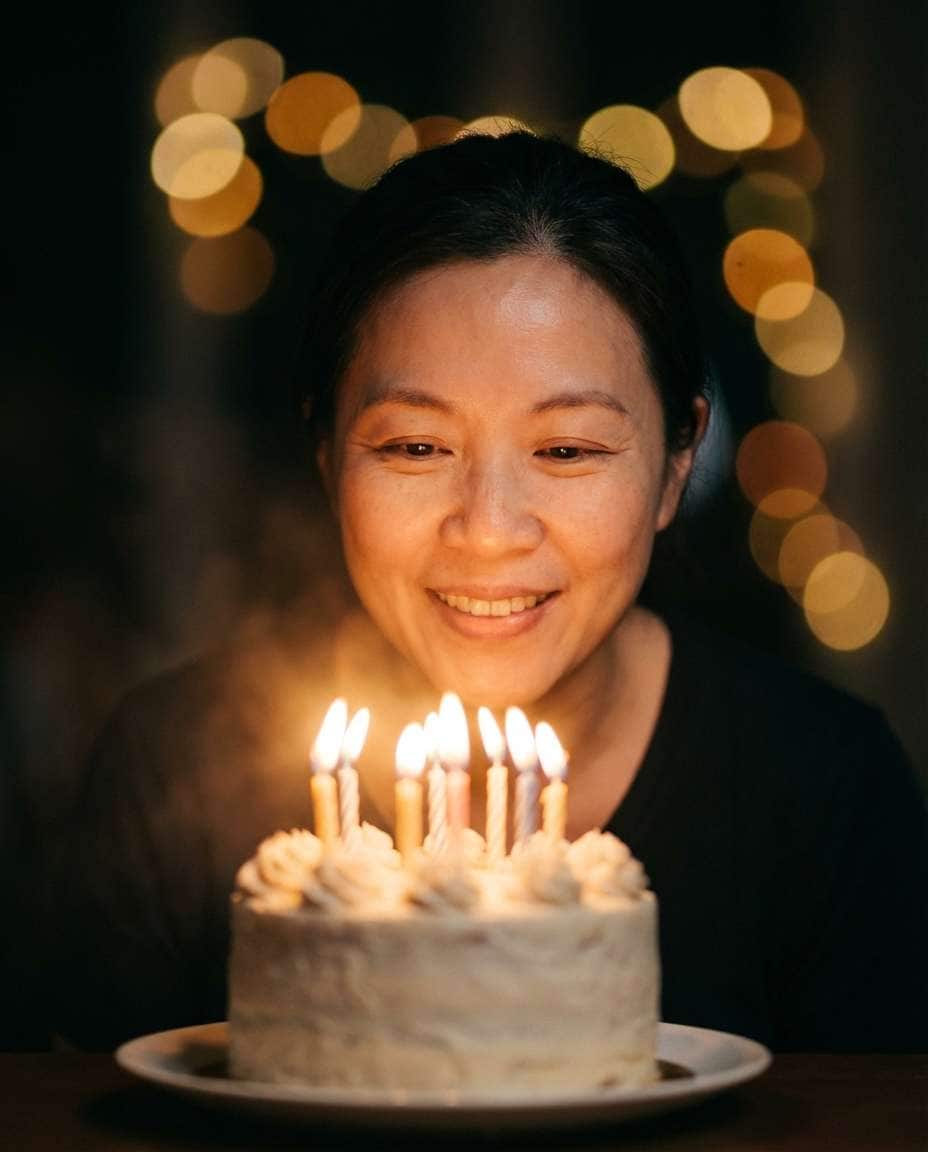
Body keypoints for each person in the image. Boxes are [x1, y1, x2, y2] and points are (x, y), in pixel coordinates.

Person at [46, 131, 927, 1053]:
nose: (489, 527)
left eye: (568, 450)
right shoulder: (172, 772)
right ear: (326, 450)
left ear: (677, 462)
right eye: (415, 448)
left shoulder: (827, 790)